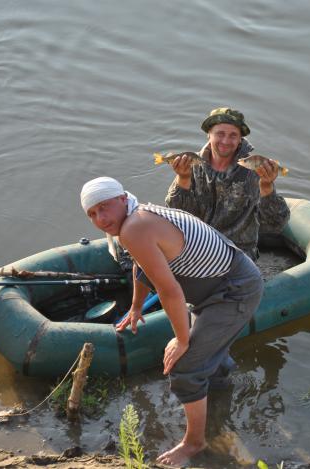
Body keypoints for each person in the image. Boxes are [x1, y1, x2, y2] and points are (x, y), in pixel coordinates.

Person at [80, 177, 263, 467]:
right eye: (92, 214)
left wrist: (182, 339)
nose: (100, 219)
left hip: (232, 291)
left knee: (185, 366)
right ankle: (218, 393)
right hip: (224, 282)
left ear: (122, 199)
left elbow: (169, 291)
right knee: (206, 359)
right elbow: (142, 266)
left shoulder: (135, 226)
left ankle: (194, 442)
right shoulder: (137, 216)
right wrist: (137, 306)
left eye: (104, 208)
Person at [165, 107, 290, 260]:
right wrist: (183, 179)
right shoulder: (191, 163)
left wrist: (266, 187)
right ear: (209, 134)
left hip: (237, 254)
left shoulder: (254, 169)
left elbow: (275, 225)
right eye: (220, 134)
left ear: (240, 140)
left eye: (233, 135)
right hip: (196, 246)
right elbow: (175, 216)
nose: (225, 141)